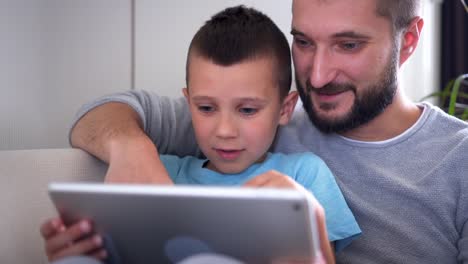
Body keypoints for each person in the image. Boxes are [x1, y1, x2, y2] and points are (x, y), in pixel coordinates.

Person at [60, 0, 468, 263]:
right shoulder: (254, 125)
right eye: (304, 42)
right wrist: (133, 152)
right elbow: (100, 115)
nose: (318, 76)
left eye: (348, 45)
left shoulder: (458, 159)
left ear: (409, 40)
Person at [41, 6, 362, 264]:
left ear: (284, 109)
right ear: (188, 102)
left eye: (247, 110)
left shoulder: (304, 175)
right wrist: (82, 246)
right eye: (206, 108)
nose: (224, 131)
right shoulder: (157, 172)